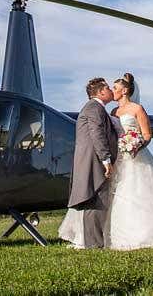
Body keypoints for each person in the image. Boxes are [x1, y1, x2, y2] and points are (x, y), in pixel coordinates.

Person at [106, 73, 153, 250]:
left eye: (115, 88)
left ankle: (151, 233)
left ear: (124, 91)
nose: (112, 90)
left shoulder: (137, 109)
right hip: (119, 157)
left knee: (140, 192)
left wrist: (135, 146)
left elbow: (147, 135)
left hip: (137, 156)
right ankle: (120, 236)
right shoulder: (113, 112)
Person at [59, 77, 120, 249]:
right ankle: (95, 244)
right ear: (101, 92)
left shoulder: (95, 108)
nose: (111, 90)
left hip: (93, 159)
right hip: (94, 160)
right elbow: (97, 134)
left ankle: (94, 242)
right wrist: (106, 159)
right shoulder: (94, 108)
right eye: (108, 88)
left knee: (96, 200)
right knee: (98, 200)